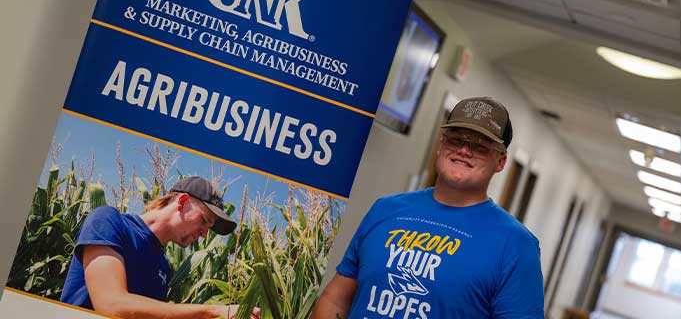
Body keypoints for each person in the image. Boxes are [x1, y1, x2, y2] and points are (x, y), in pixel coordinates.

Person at [312, 97, 544, 319]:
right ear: (441, 144)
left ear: (500, 161)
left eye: (480, 146)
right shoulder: (386, 210)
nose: (464, 150)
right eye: (455, 139)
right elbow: (335, 299)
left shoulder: (516, 245)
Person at [60, 176, 259, 319]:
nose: (204, 234)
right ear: (182, 201)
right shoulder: (110, 222)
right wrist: (212, 311)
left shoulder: (163, 267)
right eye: (204, 220)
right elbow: (112, 306)